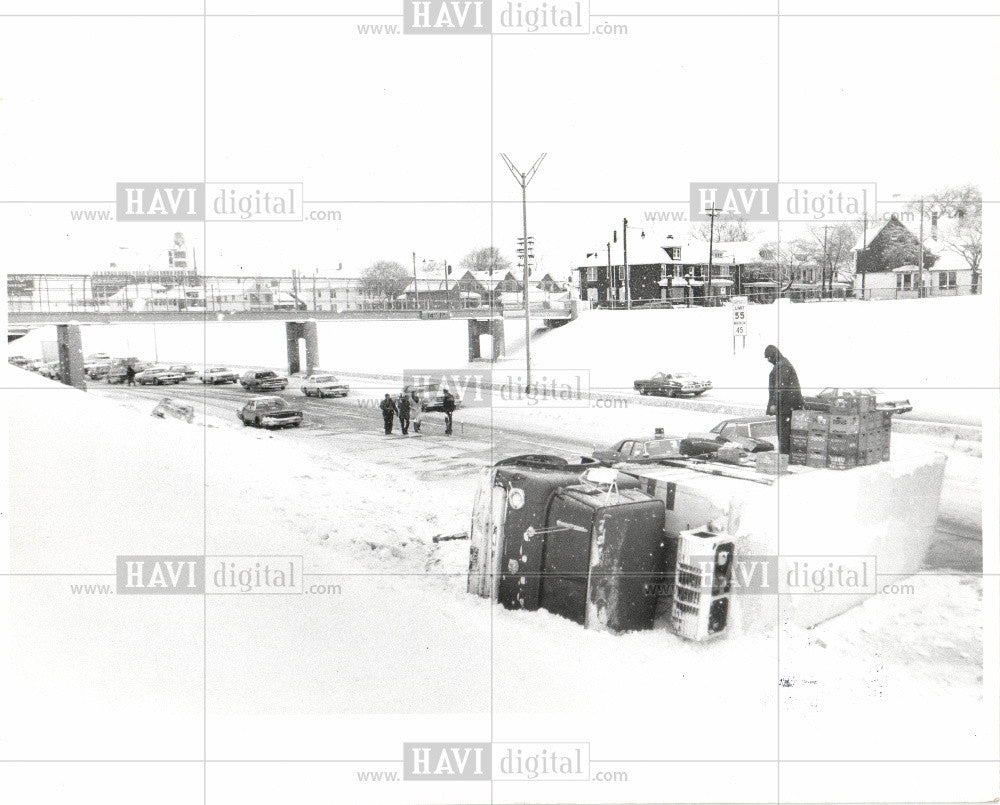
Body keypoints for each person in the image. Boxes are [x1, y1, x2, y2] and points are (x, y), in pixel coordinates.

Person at [764, 344, 803, 455]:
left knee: (783, 432)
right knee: (785, 431)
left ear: (773, 356)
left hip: (785, 407)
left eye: (769, 358)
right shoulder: (783, 365)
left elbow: (780, 388)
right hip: (787, 406)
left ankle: (784, 456)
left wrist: (774, 404)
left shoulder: (783, 367)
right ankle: (785, 454)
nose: (768, 360)